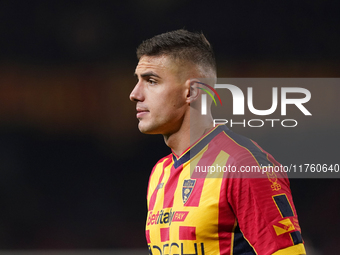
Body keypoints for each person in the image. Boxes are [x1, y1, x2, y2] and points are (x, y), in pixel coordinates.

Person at [130, 29, 306, 255]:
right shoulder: (159, 173)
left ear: (192, 91)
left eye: (151, 81)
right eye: (138, 80)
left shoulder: (244, 165)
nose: (135, 93)